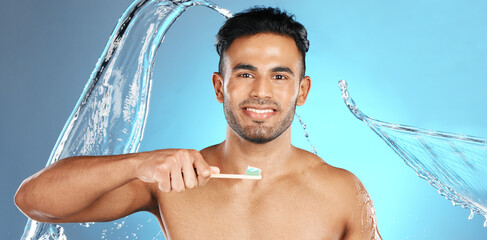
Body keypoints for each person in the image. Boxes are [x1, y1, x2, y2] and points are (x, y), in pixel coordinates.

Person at [15, 7, 381, 240]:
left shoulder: (342, 192)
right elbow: (34, 200)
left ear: (302, 91)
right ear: (220, 86)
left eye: (280, 77)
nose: (261, 92)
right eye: (245, 73)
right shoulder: (172, 181)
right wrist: (139, 163)